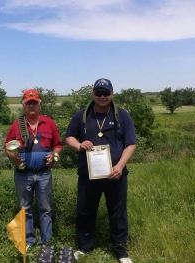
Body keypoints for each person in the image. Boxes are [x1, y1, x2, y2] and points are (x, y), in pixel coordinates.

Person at [65, 78, 136, 263]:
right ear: (93, 94)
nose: (102, 97)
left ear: (112, 94)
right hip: (88, 174)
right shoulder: (82, 115)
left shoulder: (122, 115)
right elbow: (69, 137)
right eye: (99, 93)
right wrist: (80, 145)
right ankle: (85, 247)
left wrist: (120, 166)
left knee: (118, 212)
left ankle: (121, 251)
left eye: (106, 93)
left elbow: (130, 144)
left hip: (116, 174)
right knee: (85, 211)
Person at [4, 88, 63, 249]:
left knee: (45, 209)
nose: (31, 106)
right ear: (23, 105)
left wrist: (54, 156)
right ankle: (29, 241)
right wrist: (12, 157)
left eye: (34, 103)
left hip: (44, 174)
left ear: (39, 104)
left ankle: (47, 242)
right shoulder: (17, 125)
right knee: (25, 208)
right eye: (28, 103)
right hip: (23, 174)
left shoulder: (49, 122)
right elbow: (7, 147)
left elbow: (58, 145)